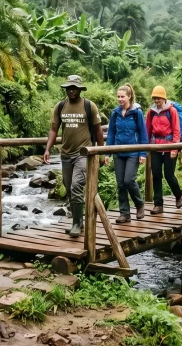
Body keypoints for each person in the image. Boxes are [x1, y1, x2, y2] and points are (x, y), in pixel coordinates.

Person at [43, 75, 103, 237]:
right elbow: (54, 130)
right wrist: (48, 149)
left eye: (74, 88)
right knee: (69, 187)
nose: (71, 90)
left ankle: (76, 224)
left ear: (80, 89)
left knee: (77, 185)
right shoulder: (60, 106)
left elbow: (98, 131)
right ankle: (79, 221)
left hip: (84, 153)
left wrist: (101, 153)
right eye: (69, 88)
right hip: (66, 154)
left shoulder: (89, 106)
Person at [105, 84, 147, 223]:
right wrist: (107, 153)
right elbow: (111, 133)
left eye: (122, 96)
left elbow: (143, 133)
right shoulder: (115, 113)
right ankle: (125, 213)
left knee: (129, 180)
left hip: (133, 152)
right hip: (118, 151)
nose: (120, 99)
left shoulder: (137, 113)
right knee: (120, 184)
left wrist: (143, 153)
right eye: (118, 96)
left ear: (129, 96)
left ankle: (139, 204)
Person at [146, 85, 182, 213]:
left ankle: (178, 195)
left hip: (169, 146)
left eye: (159, 98)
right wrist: (146, 146)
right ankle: (158, 205)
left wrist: (175, 148)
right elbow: (147, 130)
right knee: (156, 175)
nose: (156, 101)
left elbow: (176, 130)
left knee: (169, 175)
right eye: (155, 98)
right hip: (155, 146)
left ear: (164, 98)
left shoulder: (171, 111)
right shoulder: (151, 112)